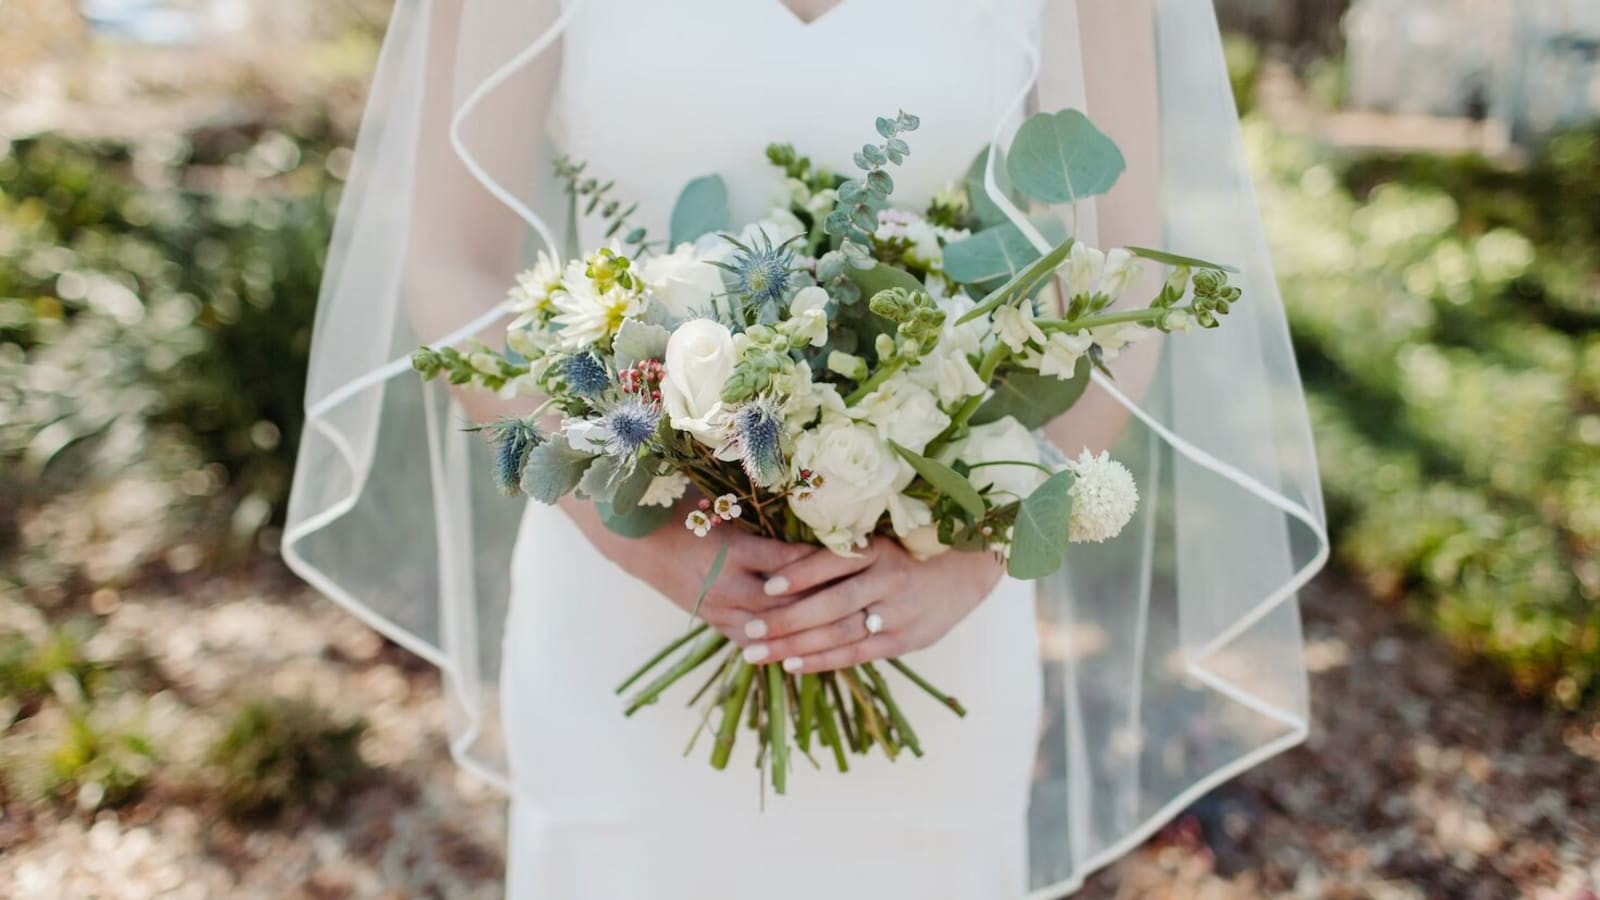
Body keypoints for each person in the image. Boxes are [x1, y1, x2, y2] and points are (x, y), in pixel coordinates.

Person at [284, 1, 1330, 897]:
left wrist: (976, 554)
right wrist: (633, 528)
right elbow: (451, 266)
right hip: (617, 602)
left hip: (927, 614)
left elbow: (1122, 291)